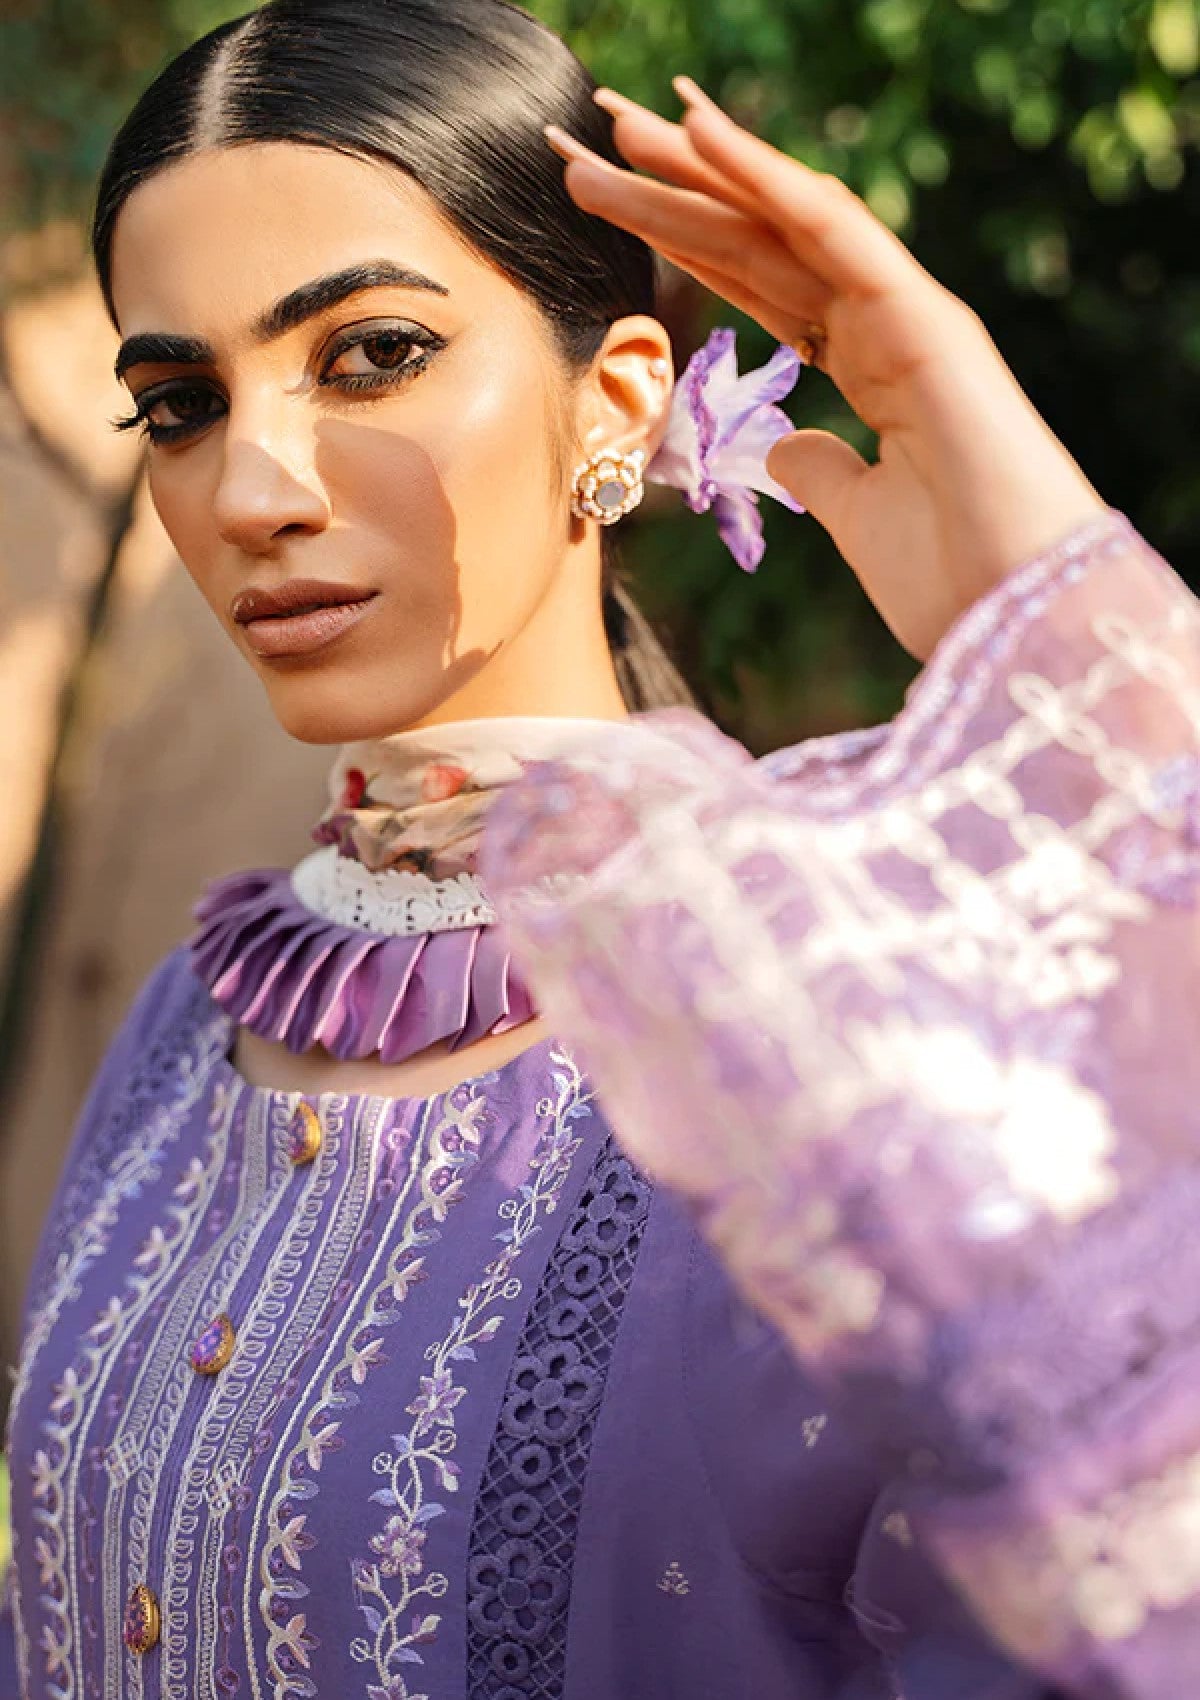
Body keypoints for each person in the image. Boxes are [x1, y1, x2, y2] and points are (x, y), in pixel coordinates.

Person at [0, 0, 1139, 1695]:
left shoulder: (840, 999)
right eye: (179, 402)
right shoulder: (187, 1027)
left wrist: (1057, 612)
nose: (251, 492)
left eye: (371, 354)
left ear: (616, 400)